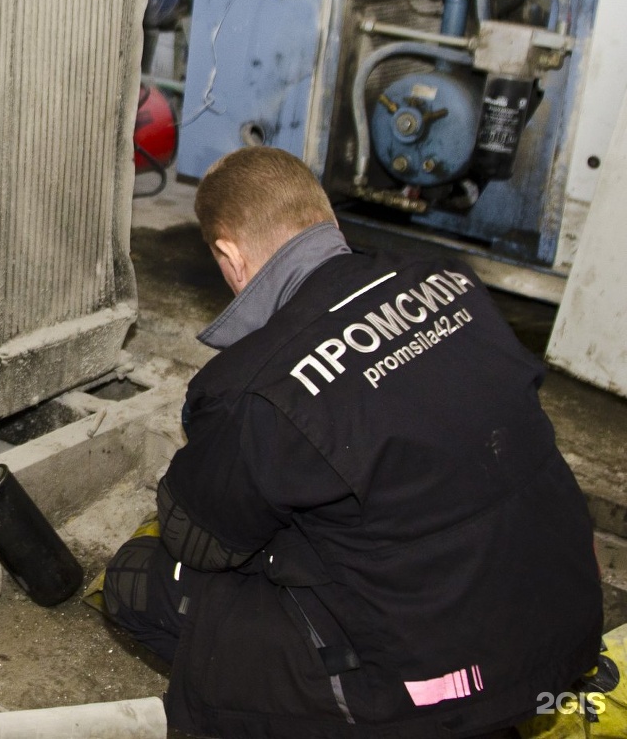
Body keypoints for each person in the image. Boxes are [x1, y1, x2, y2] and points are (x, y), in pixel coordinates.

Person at [103, 147, 601, 739]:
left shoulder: (255, 387)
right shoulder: (452, 283)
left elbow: (199, 537)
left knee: (138, 580)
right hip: (569, 627)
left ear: (229, 255)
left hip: (435, 689)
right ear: (326, 220)